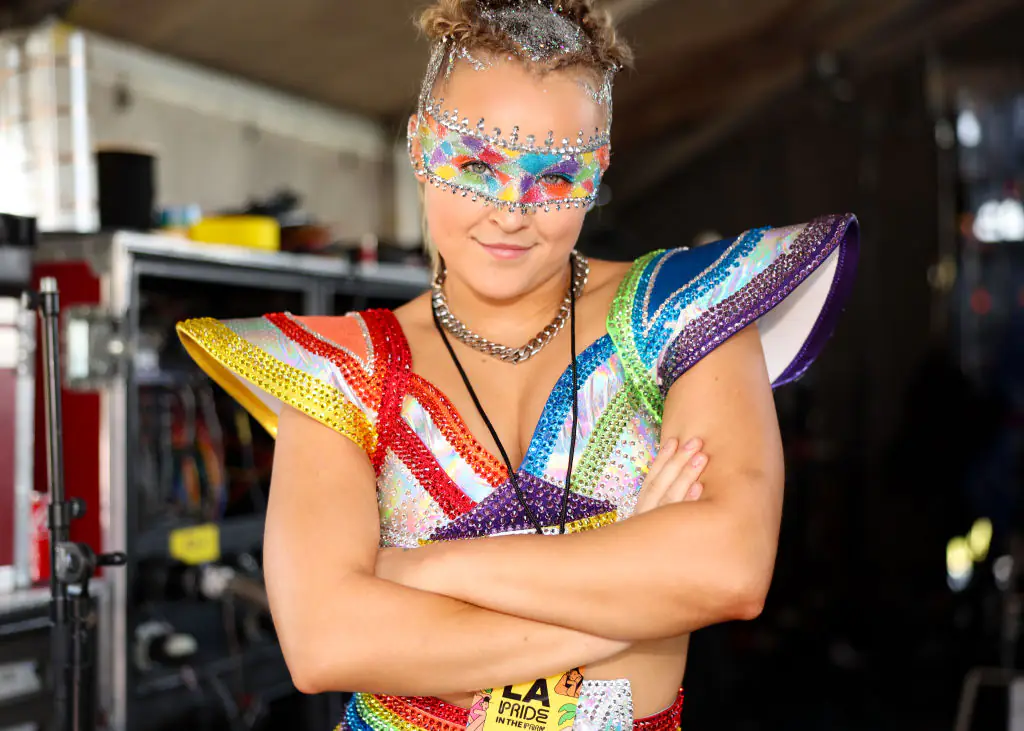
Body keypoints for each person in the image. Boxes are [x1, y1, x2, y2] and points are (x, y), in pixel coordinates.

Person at [176, 1, 859, 729]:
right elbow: (326, 642)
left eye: (555, 176)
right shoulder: (344, 366)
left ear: (599, 167)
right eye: (475, 164)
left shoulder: (686, 311)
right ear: (419, 145)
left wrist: (427, 569)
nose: (510, 212)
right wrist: (636, 598)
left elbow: (727, 571)